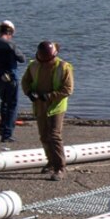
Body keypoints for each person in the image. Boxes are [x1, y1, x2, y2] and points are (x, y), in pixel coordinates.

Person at [21, 41, 74, 181]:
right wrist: (29, 93)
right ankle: (50, 162)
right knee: (44, 136)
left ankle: (60, 168)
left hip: (56, 106)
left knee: (54, 135)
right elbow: (25, 81)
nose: (45, 62)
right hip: (40, 105)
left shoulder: (63, 67)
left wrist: (49, 96)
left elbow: (68, 89)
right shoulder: (33, 65)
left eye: (47, 59)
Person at [0, 20, 25, 142]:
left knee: (4, 102)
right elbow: (22, 59)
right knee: (12, 105)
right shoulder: (10, 45)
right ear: (10, 32)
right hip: (11, 77)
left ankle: (3, 130)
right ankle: (7, 134)